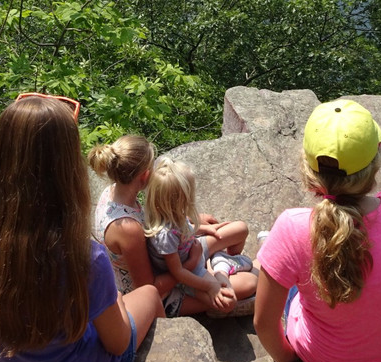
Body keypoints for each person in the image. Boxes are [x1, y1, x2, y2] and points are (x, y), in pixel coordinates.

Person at [0, 94, 163, 362]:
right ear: (68, 170)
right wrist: (113, 295)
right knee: (149, 295)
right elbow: (117, 345)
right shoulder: (84, 257)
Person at [254, 99, 381, 362]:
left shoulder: (293, 227)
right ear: (376, 160)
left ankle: (268, 254)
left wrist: (286, 359)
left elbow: (263, 323)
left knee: (292, 273)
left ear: (307, 166)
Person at [89, 135, 257, 317]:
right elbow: (148, 289)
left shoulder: (114, 191)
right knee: (249, 283)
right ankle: (218, 282)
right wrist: (191, 264)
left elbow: (154, 215)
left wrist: (189, 221)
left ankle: (219, 265)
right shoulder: (128, 229)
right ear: (145, 176)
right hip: (164, 290)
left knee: (238, 229)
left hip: (175, 254)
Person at [143, 157, 237, 312]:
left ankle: (216, 262)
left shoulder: (172, 213)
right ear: (180, 200)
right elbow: (178, 273)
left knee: (239, 228)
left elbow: (185, 228)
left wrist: (206, 229)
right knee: (229, 302)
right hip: (188, 274)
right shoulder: (165, 235)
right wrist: (210, 286)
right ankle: (220, 267)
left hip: (194, 252)